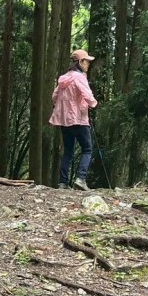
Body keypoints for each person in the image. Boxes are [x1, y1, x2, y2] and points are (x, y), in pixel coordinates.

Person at [49, 48, 98, 190]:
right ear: (80, 62)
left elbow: (54, 97)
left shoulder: (64, 78)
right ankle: (81, 179)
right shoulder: (79, 77)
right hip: (79, 119)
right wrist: (93, 104)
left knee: (68, 151)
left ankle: (63, 183)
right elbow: (88, 95)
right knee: (87, 149)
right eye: (87, 61)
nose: (88, 64)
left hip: (64, 121)